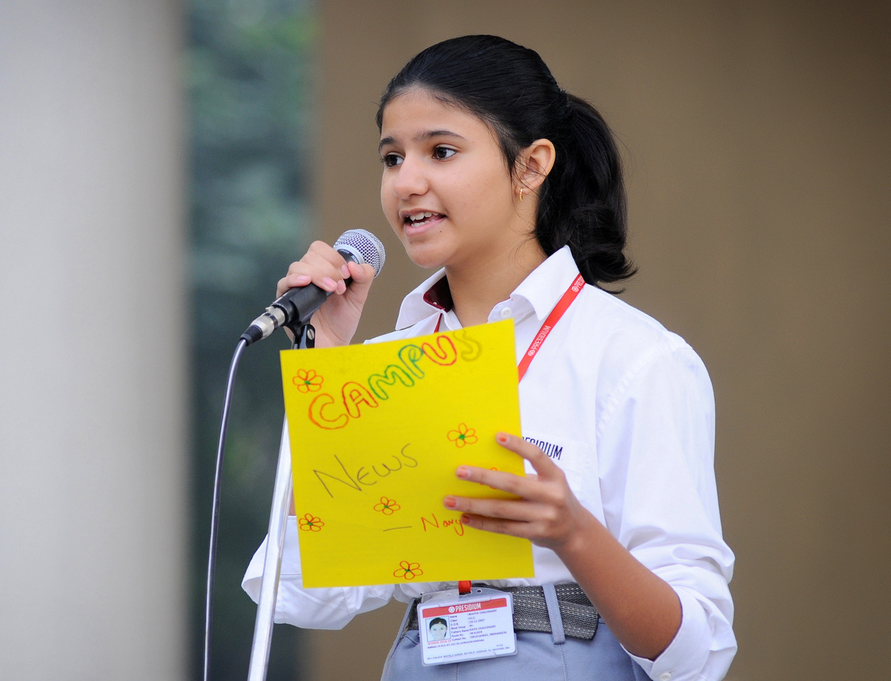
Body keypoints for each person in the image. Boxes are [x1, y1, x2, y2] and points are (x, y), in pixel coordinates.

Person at [243, 35, 735, 681]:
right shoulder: (390, 364)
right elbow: (304, 591)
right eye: (392, 158)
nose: (406, 182)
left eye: (440, 151)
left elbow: (697, 653)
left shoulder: (635, 357)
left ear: (530, 166)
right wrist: (325, 368)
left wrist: (573, 533)